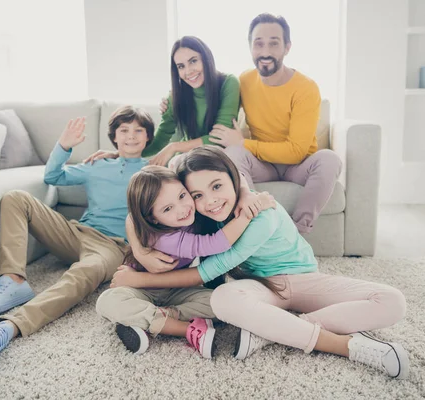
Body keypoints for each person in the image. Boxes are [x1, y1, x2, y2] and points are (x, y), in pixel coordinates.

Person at [110, 147, 409, 379]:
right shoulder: (197, 213)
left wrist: (139, 279)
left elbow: (209, 269)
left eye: (217, 187)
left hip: (303, 280)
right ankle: (331, 342)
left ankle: (276, 330)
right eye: (197, 195)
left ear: (232, 179)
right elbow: (138, 211)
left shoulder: (259, 214)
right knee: (224, 298)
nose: (210, 201)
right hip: (262, 288)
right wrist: (139, 248)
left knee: (393, 301)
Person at [0, 106, 156, 368]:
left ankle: (8, 328)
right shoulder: (97, 164)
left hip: (113, 246)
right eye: (124, 130)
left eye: (139, 130)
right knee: (16, 198)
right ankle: (12, 280)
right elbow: (53, 176)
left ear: (149, 137)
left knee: (83, 273)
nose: (131, 136)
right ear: (114, 136)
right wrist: (63, 146)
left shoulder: (154, 170)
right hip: (76, 232)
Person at [95, 166, 274, 358]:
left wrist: (246, 193)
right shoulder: (163, 237)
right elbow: (217, 243)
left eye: (182, 196)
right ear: (152, 219)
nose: (182, 209)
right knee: (107, 301)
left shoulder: (193, 211)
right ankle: (187, 330)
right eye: (167, 209)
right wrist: (250, 211)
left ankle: (151, 320)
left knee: (220, 303)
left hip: (177, 290)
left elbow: (230, 170)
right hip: (140, 288)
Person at [204, 13, 342, 234]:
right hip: (263, 165)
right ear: (250, 47)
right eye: (259, 43)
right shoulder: (245, 80)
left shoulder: (306, 88)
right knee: (233, 153)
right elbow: (209, 93)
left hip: (299, 166)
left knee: (330, 159)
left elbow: (296, 152)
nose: (265, 52)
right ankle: (255, 228)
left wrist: (244, 143)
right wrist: (172, 102)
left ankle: (296, 233)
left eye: (274, 43)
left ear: (287, 47)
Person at [84, 36, 240, 167]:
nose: (188, 71)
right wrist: (119, 153)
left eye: (193, 61)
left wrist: (174, 147)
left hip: (219, 154)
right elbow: (160, 140)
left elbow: (219, 138)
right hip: (185, 158)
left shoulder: (228, 83)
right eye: (181, 66)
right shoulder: (175, 97)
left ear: (206, 59)